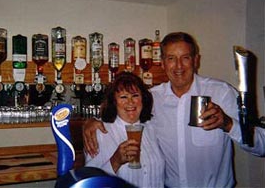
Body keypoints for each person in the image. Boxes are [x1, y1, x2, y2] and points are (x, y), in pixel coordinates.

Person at [83, 32, 265, 187]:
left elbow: (261, 144)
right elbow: (125, 108)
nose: (178, 66)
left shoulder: (221, 92)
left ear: (195, 60)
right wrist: (90, 122)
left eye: (185, 58)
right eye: (171, 58)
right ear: (162, 63)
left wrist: (228, 124)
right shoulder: (152, 98)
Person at [84, 71, 165, 188]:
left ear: (143, 99)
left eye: (135, 95)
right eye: (123, 97)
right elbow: (90, 183)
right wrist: (115, 161)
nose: (130, 102)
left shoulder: (152, 128)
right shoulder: (101, 132)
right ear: (114, 102)